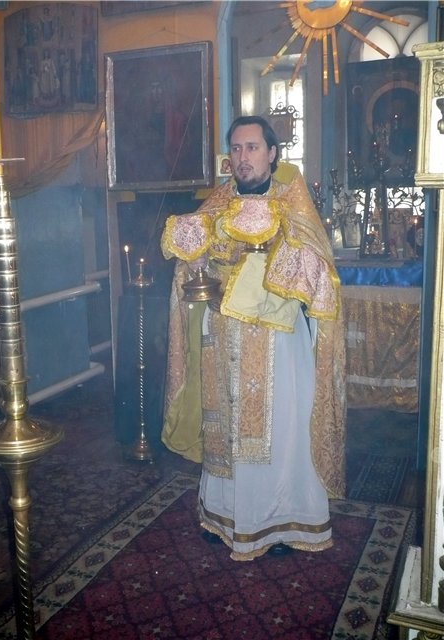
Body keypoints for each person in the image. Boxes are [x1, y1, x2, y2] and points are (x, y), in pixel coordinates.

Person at [161, 115, 346, 561]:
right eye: (236, 148)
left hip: (275, 338)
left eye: (252, 147)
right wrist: (197, 262)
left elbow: (316, 267)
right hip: (222, 332)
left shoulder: (291, 204)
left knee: (279, 431)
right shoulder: (218, 203)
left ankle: (281, 522)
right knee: (224, 427)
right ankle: (225, 516)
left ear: (272, 153)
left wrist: (267, 258)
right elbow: (195, 262)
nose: (242, 157)